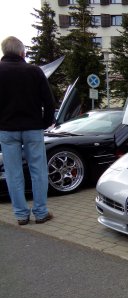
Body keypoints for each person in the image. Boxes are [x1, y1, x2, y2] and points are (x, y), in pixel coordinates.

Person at [0, 36, 55, 225]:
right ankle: (40, 213)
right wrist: (46, 122)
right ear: (22, 53)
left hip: (7, 130)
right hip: (33, 128)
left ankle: (21, 215)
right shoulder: (34, 71)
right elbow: (49, 102)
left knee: (13, 173)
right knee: (38, 171)